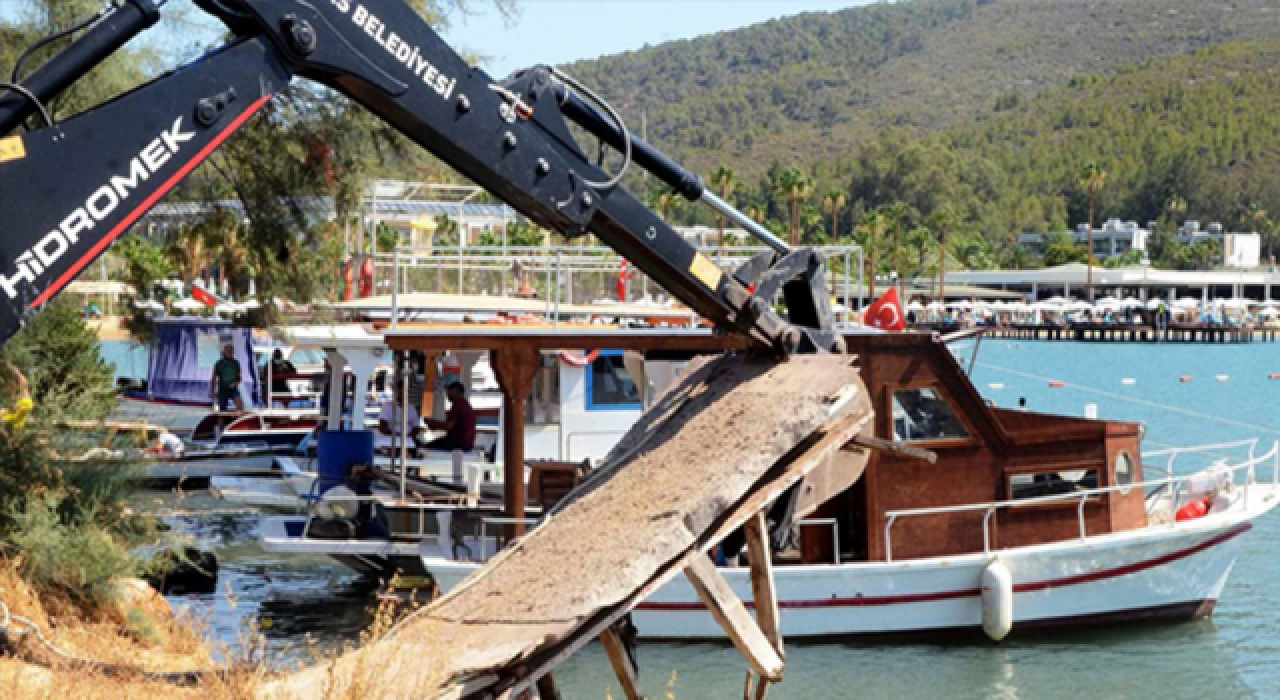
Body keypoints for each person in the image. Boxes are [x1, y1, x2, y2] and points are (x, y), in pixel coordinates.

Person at [425, 381, 477, 452]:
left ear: (457, 392)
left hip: (459, 443)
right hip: (465, 443)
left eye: (449, 392)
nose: (447, 394)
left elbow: (448, 426)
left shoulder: (458, 406)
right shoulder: (465, 404)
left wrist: (433, 423)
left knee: (427, 447)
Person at [377, 385, 421, 454]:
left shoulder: (411, 408)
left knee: (418, 450)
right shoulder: (387, 406)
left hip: (408, 439)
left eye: (404, 393)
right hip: (391, 438)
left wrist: (409, 436)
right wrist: (396, 435)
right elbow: (382, 427)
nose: (402, 395)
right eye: (400, 393)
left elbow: (416, 427)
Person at [210, 343, 244, 412]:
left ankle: (235, 419)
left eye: (231, 351)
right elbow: (214, 378)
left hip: (233, 389)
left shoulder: (236, 363)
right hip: (223, 390)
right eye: (228, 351)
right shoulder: (219, 363)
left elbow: (239, 378)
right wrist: (213, 392)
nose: (230, 352)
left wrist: (235, 383)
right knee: (222, 410)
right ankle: (221, 422)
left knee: (239, 404)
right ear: (224, 352)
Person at [1, 362, 33, 432]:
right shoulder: (20, 393)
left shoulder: (23, 395)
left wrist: (16, 371)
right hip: (21, 409)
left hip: (24, 405)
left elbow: (24, 384)